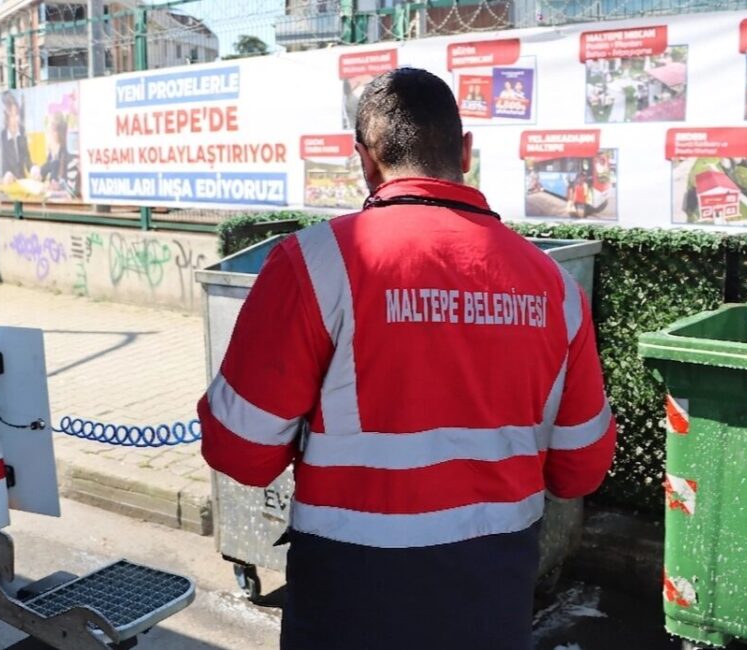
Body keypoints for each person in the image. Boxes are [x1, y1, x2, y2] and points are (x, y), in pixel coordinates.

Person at [198, 67, 617, 650]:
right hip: (493, 596)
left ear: (365, 160)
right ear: (464, 152)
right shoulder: (555, 288)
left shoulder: (314, 265)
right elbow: (580, 469)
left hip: (350, 597)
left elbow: (239, 452)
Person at [39, 112, 79, 199]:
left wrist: (54, 192)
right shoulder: (52, 157)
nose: (47, 136)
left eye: (50, 131)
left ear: (56, 134)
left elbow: (72, 193)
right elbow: (41, 174)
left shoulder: (70, 159)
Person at [0, 92, 30, 183]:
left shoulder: (22, 134)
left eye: (17, 114)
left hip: (21, 183)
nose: (16, 119)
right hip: (7, 185)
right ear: (6, 117)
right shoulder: (2, 137)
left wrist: (33, 169)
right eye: (12, 115)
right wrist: (6, 174)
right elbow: (1, 165)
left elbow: (27, 159)